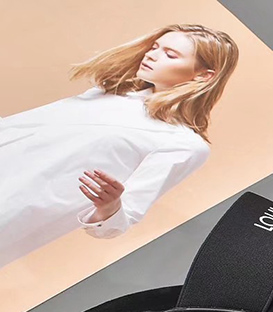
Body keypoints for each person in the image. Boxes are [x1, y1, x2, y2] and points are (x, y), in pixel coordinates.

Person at [0, 24, 239, 269]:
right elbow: (21, 127)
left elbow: (118, 222)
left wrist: (110, 205)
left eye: (170, 54)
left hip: (16, 207)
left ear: (203, 76)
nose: (151, 55)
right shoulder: (105, 95)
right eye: (154, 47)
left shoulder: (183, 143)